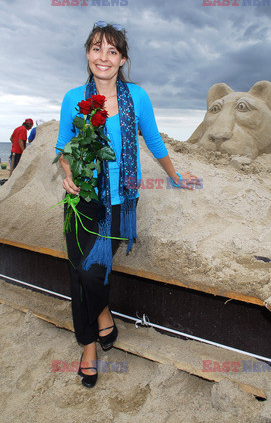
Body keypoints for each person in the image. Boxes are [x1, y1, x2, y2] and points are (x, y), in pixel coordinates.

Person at [56, 21, 199, 388]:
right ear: (87, 54)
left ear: (122, 59)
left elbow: (152, 138)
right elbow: (62, 148)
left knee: (95, 272)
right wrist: (66, 171)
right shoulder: (74, 97)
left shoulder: (137, 97)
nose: (103, 57)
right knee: (80, 272)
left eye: (111, 51)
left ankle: (102, 309)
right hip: (82, 197)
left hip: (121, 199)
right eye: (96, 49)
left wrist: (175, 175)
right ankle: (88, 346)